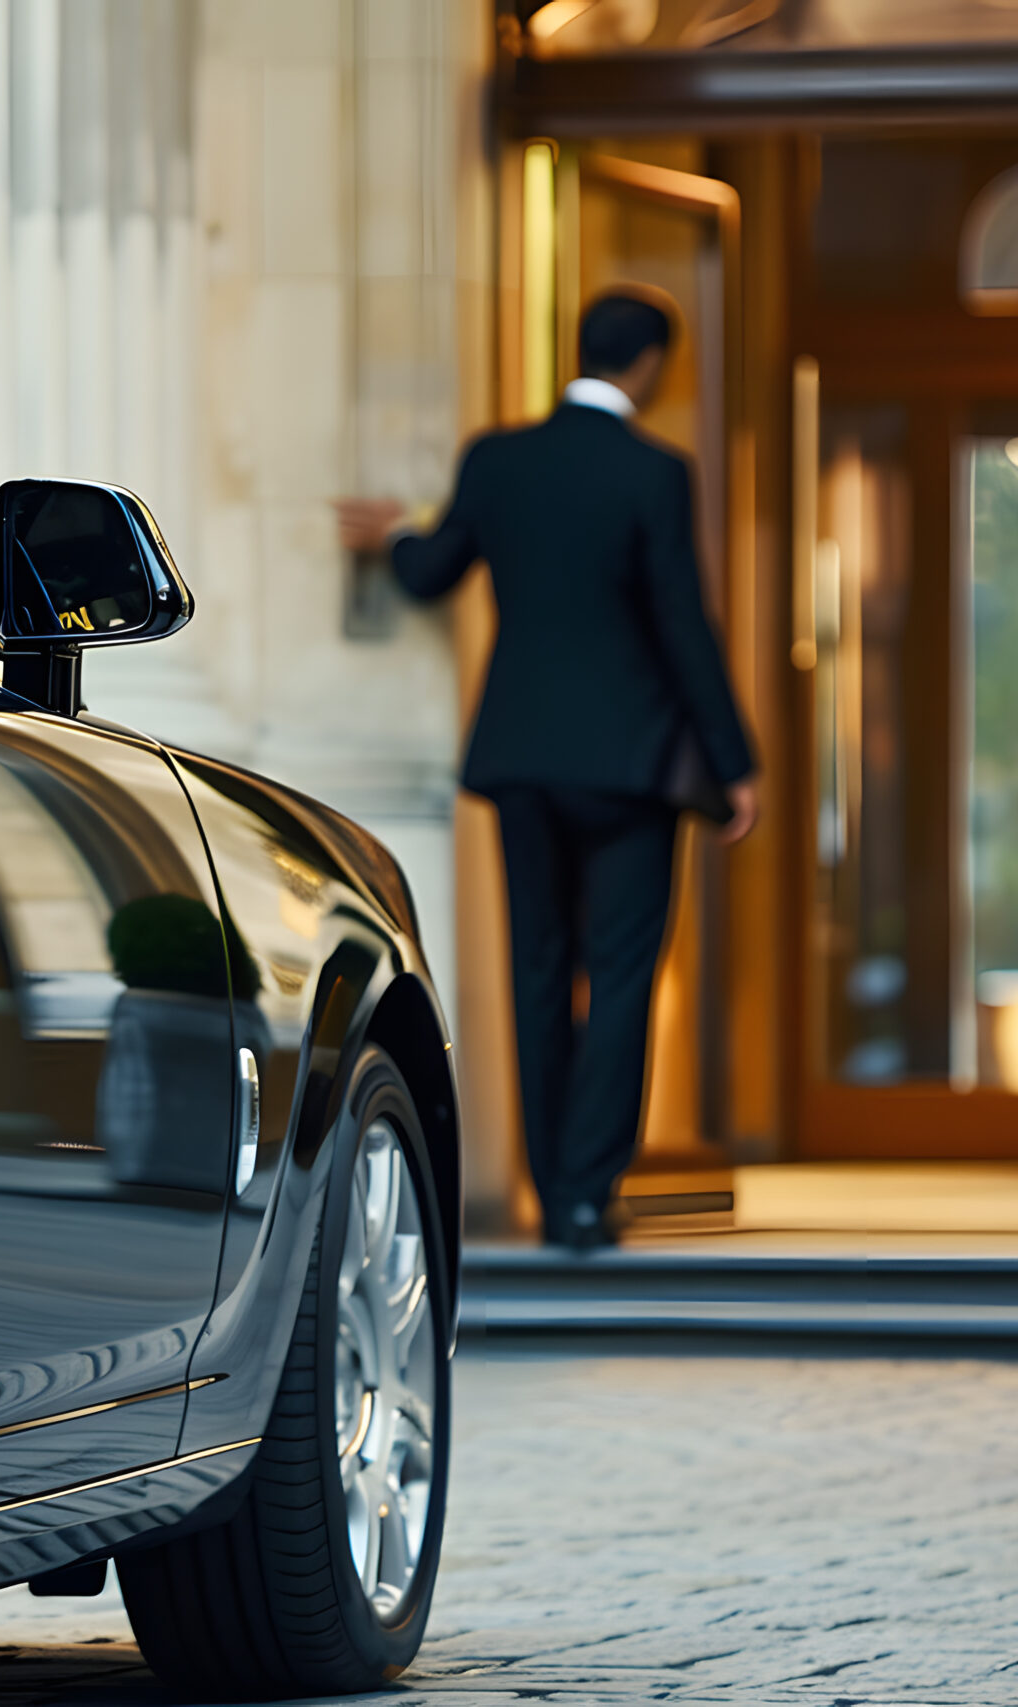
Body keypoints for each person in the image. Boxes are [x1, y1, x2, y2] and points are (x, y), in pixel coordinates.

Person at [335, 288, 757, 1252]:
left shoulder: (498, 459)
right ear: (649, 364)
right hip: (631, 764)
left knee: (536, 970)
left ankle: (539, 1181)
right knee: (618, 975)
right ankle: (581, 1194)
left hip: (522, 756)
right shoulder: (655, 473)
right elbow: (682, 625)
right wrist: (735, 761)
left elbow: (434, 569)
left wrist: (391, 539)